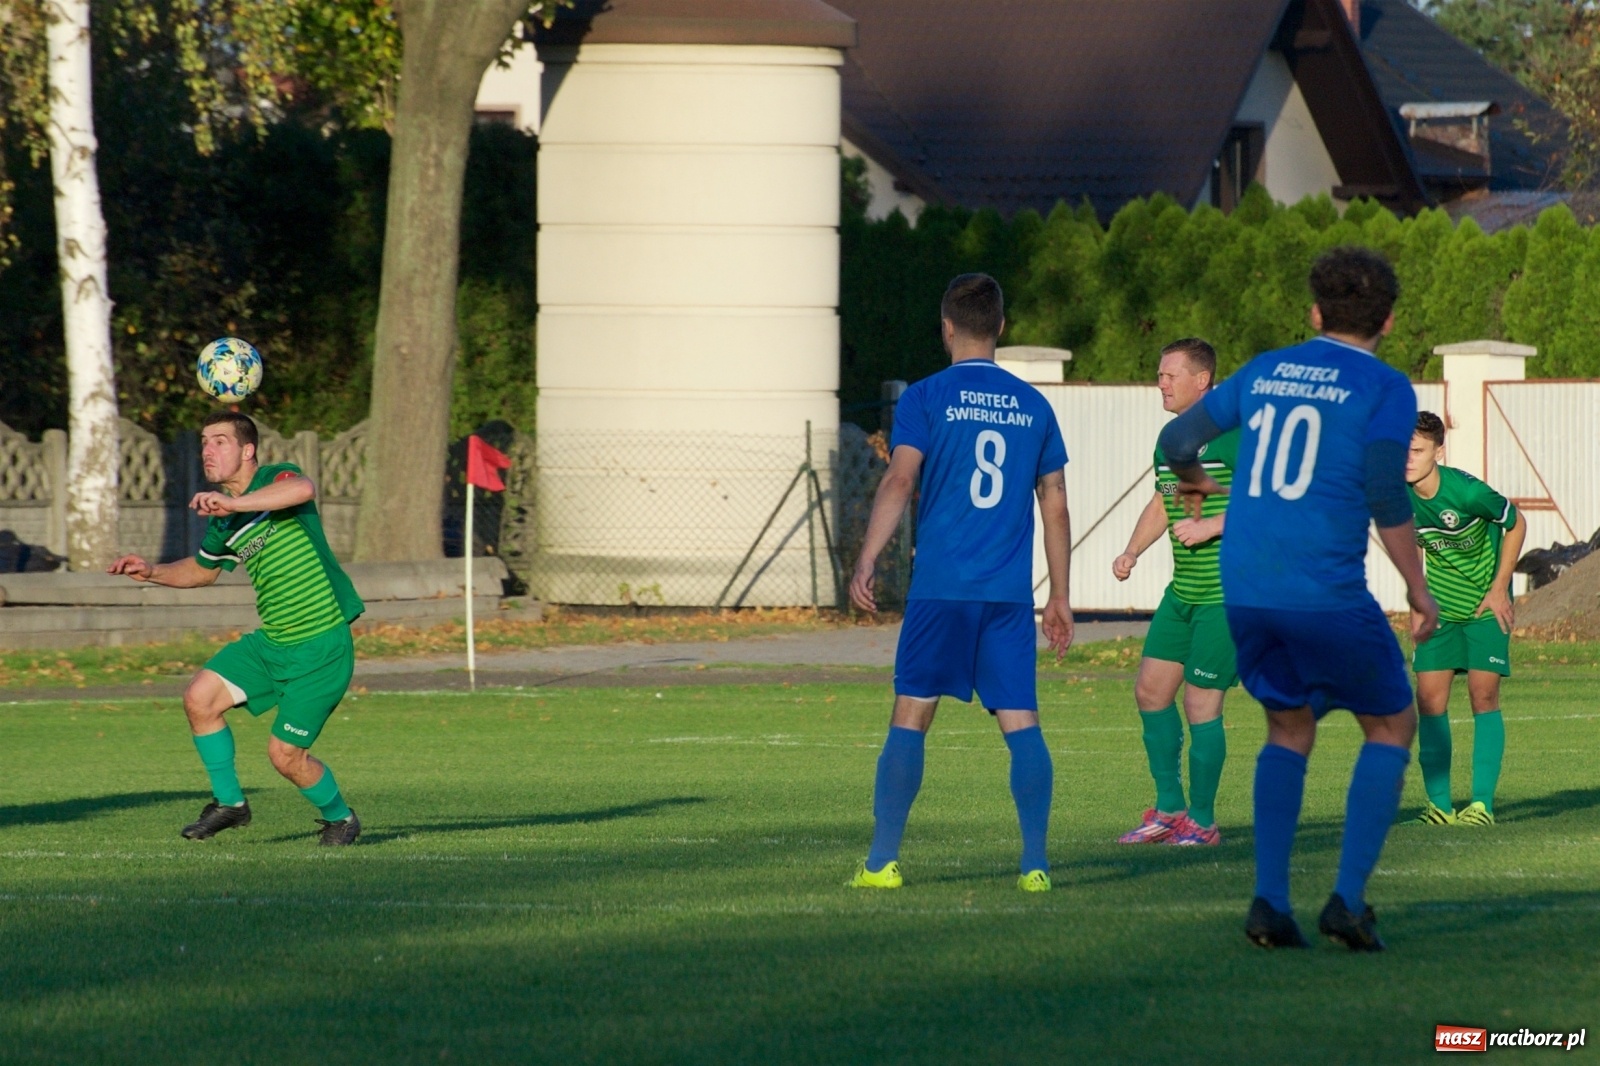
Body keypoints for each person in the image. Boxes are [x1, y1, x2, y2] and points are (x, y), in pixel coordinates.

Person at [1158, 246, 1439, 951]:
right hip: (1325, 591)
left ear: (1314, 313)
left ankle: (1269, 903)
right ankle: (1345, 900)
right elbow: (1383, 491)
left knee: (1288, 730)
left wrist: (1195, 479)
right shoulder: (1385, 386)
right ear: (1390, 320)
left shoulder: (1264, 370)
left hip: (1247, 590)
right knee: (1392, 725)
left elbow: (1178, 438)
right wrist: (1417, 585)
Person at [847, 272, 1074, 892]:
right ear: (1000, 327)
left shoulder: (924, 397)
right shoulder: (1034, 405)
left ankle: (881, 864)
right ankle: (1034, 866)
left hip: (941, 588)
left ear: (946, 327)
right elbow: (1054, 503)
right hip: (1005, 595)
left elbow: (899, 480)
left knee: (911, 714)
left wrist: (867, 557)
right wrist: (1059, 595)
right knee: (1022, 721)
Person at [108, 411, 366, 845]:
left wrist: (235, 503)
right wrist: (150, 570)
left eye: (221, 441)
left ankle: (341, 818)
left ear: (247, 451)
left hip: (321, 644)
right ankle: (231, 805)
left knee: (285, 757)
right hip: (272, 643)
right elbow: (203, 571)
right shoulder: (224, 518)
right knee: (199, 699)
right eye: (205, 442)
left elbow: (303, 488)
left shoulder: (275, 478)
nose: (208, 449)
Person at [1112, 338, 1239, 846]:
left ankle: (1203, 821)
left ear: (1202, 379)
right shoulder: (1171, 439)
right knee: (1150, 691)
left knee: (1201, 704)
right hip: (1182, 593)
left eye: (1170, 374)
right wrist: (1132, 551)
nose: (1160, 382)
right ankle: (1168, 809)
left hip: (1227, 597)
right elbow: (1165, 502)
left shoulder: (1238, 434)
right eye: (1160, 374)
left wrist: (1211, 528)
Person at [1405, 410, 1525, 827]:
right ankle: (1439, 806)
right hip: (1441, 610)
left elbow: (1516, 522)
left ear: (1439, 451)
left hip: (1484, 610)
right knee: (1429, 701)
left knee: (1482, 696)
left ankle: (1482, 806)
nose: (1407, 457)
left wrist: (1499, 586)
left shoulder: (1468, 492)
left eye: (1417, 450)